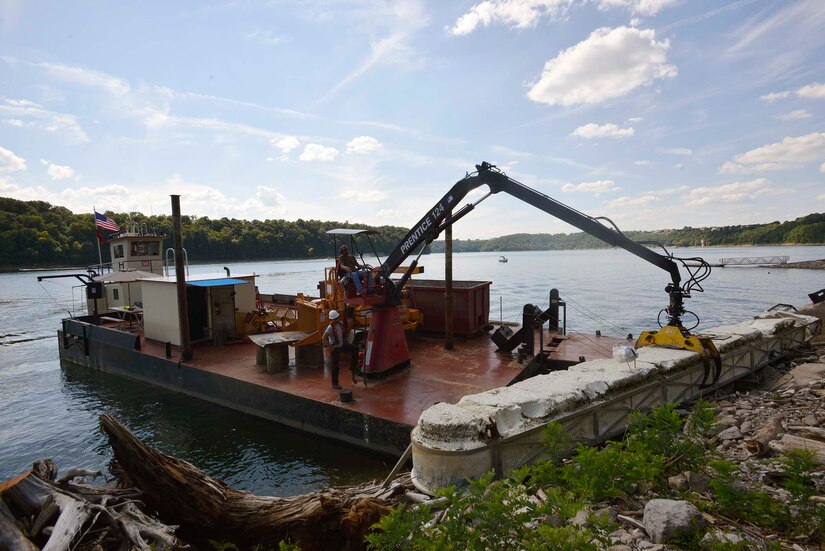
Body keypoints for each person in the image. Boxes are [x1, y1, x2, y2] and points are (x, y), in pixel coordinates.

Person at [322, 310, 358, 389]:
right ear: (332, 319)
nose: (336, 320)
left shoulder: (340, 324)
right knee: (335, 366)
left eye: (336, 318)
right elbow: (324, 338)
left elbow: (343, 334)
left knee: (355, 349)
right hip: (335, 347)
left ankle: (352, 366)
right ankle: (335, 384)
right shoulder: (330, 327)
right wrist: (330, 347)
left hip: (342, 344)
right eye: (334, 319)